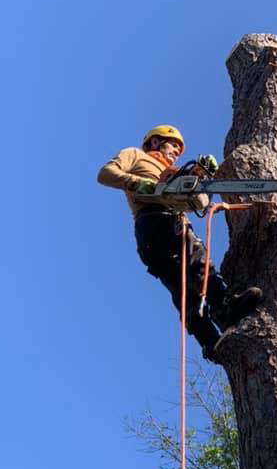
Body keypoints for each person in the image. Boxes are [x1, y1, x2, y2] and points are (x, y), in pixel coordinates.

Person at [97, 124, 262, 360]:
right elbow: (105, 174)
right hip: (155, 221)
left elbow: (188, 193)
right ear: (155, 142)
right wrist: (138, 183)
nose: (176, 151)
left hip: (157, 235)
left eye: (178, 149)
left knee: (181, 289)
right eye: (172, 145)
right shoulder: (135, 154)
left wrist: (199, 173)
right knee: (198, 259)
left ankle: (210, 341)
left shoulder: (171, 170)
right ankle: (224, 305)